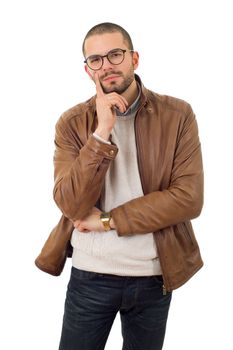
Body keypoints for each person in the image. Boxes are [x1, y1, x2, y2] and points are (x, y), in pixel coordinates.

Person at [54, 22, 204, 350]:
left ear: (134, 59)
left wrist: (107, 220)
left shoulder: (177, 115)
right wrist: (101, 132)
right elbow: (71, 205)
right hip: (90, 277)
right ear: (87, 69)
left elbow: (188, 199)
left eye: (115, 54)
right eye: (95, 59)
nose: (105, 65)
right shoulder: (72, 123)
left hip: (154, 276)